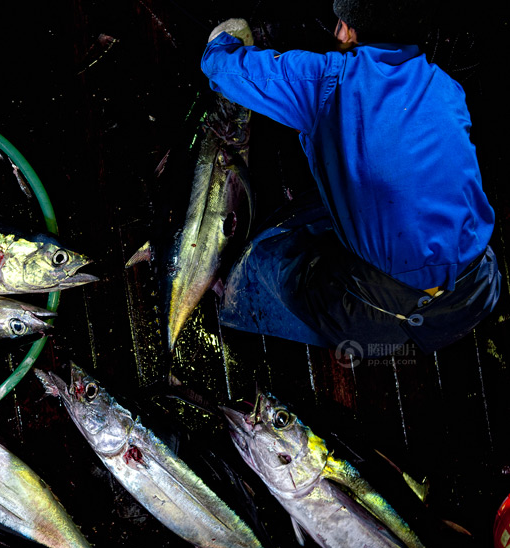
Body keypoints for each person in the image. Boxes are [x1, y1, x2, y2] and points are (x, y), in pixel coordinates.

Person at [199, 1, 500, 357]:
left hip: (379, 311)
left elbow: (221, 69)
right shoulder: (448, 88)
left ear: (346, 30)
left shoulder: (327, 79)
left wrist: (222, 39)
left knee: (265, 266)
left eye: (341, 22)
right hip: (478, 289)